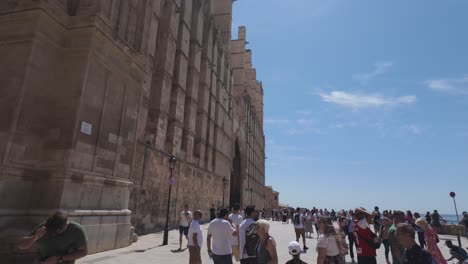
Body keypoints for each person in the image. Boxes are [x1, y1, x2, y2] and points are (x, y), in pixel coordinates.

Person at [17, 211, 88, 264]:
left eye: (58, 231)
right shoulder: (44, 227)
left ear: (66, 225)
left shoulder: (76, 230)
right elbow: (21, 246)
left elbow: (83, 252)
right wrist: (35, 237)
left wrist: (59, 258)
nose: (54, 234)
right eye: (51, 231)